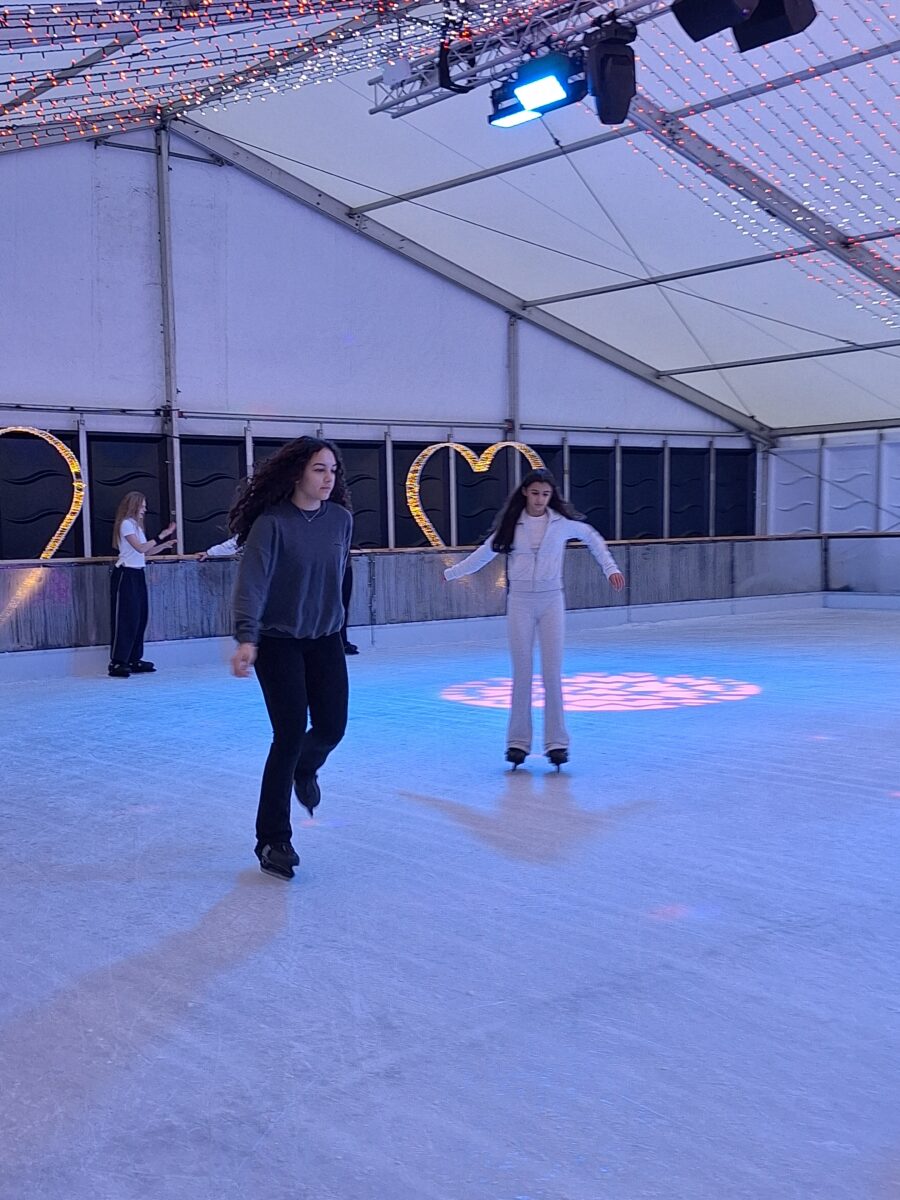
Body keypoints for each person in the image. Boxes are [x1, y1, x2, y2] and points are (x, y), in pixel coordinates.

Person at [444, 468, 625, 770]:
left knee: (552, 673)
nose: (540, 499)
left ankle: (558, 743)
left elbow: (593, 539)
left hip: (552, 600)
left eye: (546, 494)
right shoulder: (513, 527)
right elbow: (483, 554)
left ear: (551, 496)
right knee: (522, 674)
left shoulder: (563, 525)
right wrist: (452, 572)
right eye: (536, 493)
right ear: (525, 493)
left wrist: (611, 568)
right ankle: (517, 743)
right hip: (521, 603)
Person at [230, 437, 352, 880]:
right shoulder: (272, 524)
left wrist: (341, 625)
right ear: (298, 472)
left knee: (332, 726)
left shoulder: (340, 520)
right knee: (287, 733)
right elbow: (252, 585)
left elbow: (339, 578)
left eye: (333, 471)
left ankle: (306, 766)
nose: (328, 478)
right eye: (320, 469)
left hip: (325, 639)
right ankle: (273, 839)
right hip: (278, 641)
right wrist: (247, 638)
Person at [200, 539, 359, 655]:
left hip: (340, 568)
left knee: (339, 608)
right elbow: (241, 539)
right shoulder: (272, 520)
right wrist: (211, 552)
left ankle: (341, 641)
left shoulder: (337, 516)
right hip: (303, 578)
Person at [109, 492, 176, 678]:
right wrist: (162, 536)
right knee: (126, 617)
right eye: (143, 506)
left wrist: (163, 546)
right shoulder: (126, 524)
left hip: (138, 572)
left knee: (140, 616)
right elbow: (140, 548)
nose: (145, 510)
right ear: (134, 505)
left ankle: (133, 657)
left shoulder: (137, 527)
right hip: (126, 573)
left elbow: (144, 552)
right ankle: (117, 661)